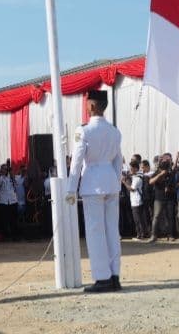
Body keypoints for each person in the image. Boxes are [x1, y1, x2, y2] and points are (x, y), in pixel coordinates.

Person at [66, 90, 123, 293]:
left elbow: (76, 162)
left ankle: (102, 277)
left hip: (92, 183)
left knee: (95, 231)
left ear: (91, 106)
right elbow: (118, 161)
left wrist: (71, 188)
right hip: (111, 182)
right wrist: (116, 183)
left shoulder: (84, 131)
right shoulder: (114, 131)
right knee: (112, 231)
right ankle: (114, 275)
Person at [147, 153, 177, 243]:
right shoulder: (156, 173)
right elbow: (150, 182)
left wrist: (170, 189)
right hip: (158, 199)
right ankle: (153, 236)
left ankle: (171, 235)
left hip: (169, 198)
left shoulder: (170, 173)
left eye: (166, 165)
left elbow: (175, 186)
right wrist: (160, 175)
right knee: (156, 217)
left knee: (170, 217)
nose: (164, 167)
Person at [122, 160, 148, 240]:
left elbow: (132, 189)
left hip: (137, 201)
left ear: (135, 169)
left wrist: (124, 182)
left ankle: (140, 235)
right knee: (138, 218)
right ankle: (141, 234)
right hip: (135, 200)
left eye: (132, 169)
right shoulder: (136, 176)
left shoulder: (137, 178)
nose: (130, 170)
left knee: (137, 219)